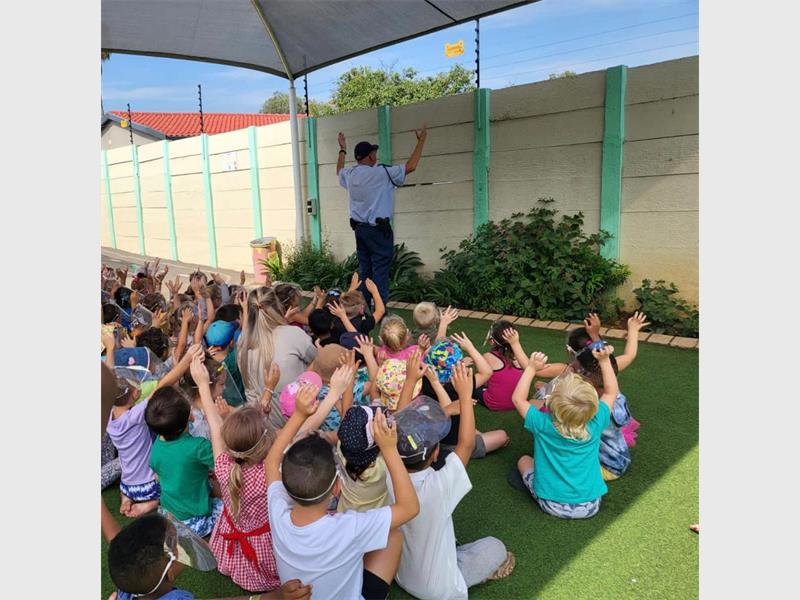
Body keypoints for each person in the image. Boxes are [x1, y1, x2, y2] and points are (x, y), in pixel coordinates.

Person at [265, 380, 420, 600]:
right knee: (393, 537)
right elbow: (410, 507)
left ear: (285, 483)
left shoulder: (277, 511)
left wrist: (299, 415)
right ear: (336, 488)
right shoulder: (349, 528)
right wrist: (389, 449)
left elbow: (271, 461)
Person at [388, 364, 515, 600]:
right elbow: (466, 444)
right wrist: (465, 397)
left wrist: (410, 381)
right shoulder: (439, 485)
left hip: (400, 574)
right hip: (441, 589)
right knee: (495, 546)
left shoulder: (387, 470)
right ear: (436, 454)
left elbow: (399, 426)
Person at [188, 354, 282, 593]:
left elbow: (214, 424)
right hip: (262, 541)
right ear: (267, 444)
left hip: (233, 530)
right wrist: (269, 389)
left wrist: (202, 384)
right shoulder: (270, 472)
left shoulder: (223, 466)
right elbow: (292, 434)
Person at [511, 345, 619, 519]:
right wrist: (605, 361)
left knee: (524, 460)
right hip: (591, 503)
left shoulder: (542, 424)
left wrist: (531, 368)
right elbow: (611, 391)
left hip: (551, 503)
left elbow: (518, 399)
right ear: (593, 404)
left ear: (552, 403)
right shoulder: (597, 422)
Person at [107, 513, 311, 600]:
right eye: (177, 545)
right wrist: (270, 597)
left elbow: (116, 542)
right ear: (169, 574)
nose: (180, 543)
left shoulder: (127, 588)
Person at [336, 125, 428, 306]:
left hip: (360, 230)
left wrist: (342, 149)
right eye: (374, 153)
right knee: (380, 273)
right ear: (370, 156)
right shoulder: (382, 173)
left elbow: (339, 170)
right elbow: (411, 166)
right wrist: (421, 141)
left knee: (365, 272)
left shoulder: (350, 174)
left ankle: (362, 310)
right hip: (379, 231)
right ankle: (380, 312)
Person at [145, 384, 223, 537]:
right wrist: (222, 419)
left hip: (169, 516)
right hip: (195, 522)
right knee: (229, 506)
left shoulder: (156, 447)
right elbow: (224, 462)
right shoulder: (199, 447)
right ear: (190, 417)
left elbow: (158, 476)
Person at [236, 286, 317, 428]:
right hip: (303, 420)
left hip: (266, 424)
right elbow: (316, 360)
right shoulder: (294, 334)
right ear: (277, 306)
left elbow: (250, 392)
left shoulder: (243, 342)